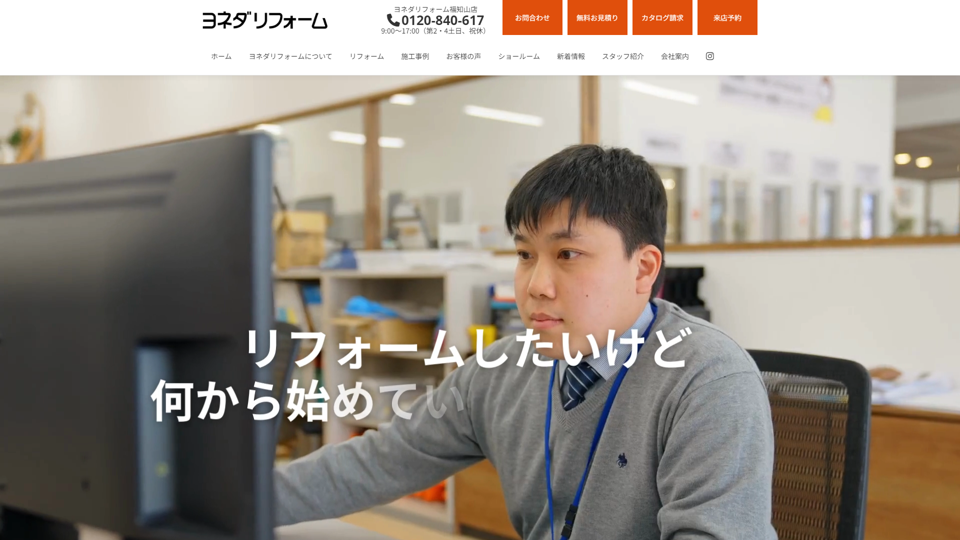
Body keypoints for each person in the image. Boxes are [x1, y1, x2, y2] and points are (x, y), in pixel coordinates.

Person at [274, 145, 778, 540]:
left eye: (567, 254)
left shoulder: (707, 381)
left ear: (643, 269)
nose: (536, 284)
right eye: (524, 254)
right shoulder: (500, 370)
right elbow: (378, 461)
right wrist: (241, 502)